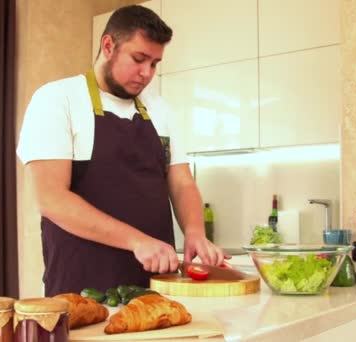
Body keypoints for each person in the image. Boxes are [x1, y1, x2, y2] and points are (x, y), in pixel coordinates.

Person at [16, 5, 228, 296]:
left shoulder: (161, 110)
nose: (146, 73)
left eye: (154, 64)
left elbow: (181, 182)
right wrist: (137, 241)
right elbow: (52, 199)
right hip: (83, 287)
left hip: (157, 286)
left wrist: (195, 232)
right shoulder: (57, 100)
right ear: (108, 46)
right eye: (139, 59)